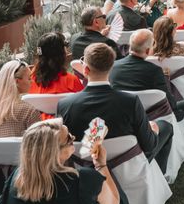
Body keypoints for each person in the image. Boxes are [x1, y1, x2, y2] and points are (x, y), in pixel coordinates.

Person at [58, 42, 174, 173]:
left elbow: (62, 146)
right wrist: (154, 130)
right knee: (165, 126)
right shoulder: (130, 102)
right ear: (111, 68)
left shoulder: (64, 105)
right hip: (129, 169)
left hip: (85, 168)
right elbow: (149, 146)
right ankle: (160, 175)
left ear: (85, 70)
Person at [0, 118, 127, 204]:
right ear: (53, 152)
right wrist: (101, 166)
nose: (73, 138)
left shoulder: (15, 179)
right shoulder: (86, 180)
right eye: (69, 138)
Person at [110, 29, 184, 149]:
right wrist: (178, 113)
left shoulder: (113, 66)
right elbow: (168, 99)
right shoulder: (154, 70)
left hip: (124, 115)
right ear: (147, 50)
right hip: (155, 114)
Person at [0, 60, 40, 137]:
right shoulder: (29, 111)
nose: (32, 81)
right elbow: (40, 144)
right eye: (29, 78)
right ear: (17, 81)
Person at [29, 32, 84, 99]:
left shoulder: (31, 81)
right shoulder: (71, 81)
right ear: (61, 53)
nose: (67, 51)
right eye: (65, 46)